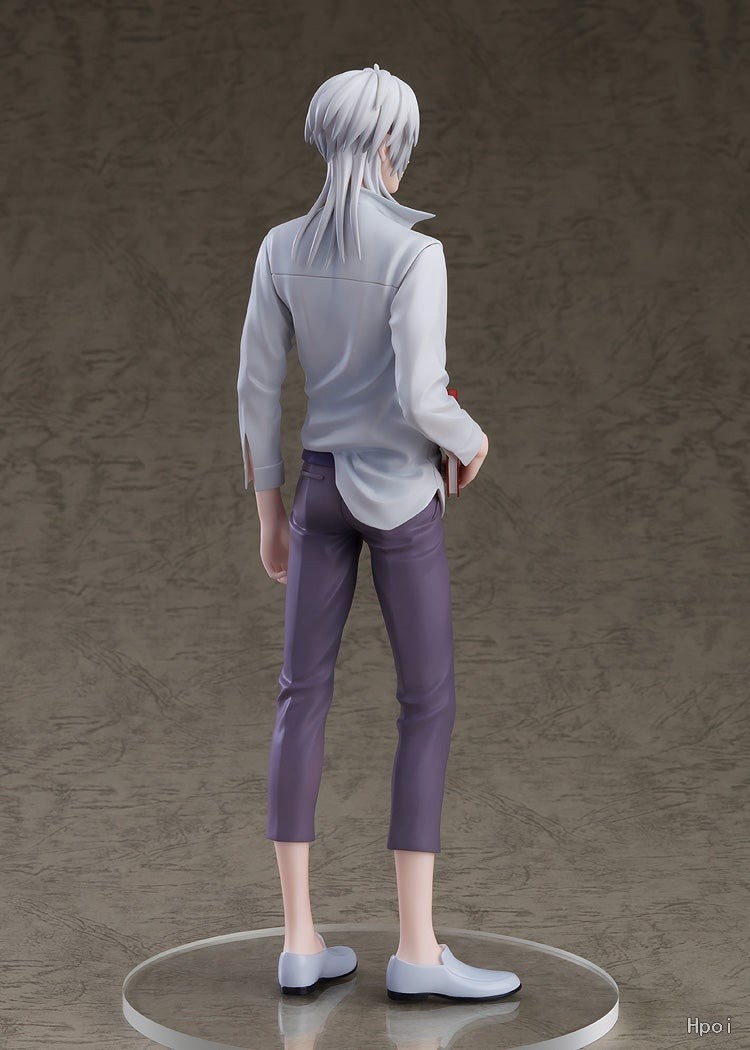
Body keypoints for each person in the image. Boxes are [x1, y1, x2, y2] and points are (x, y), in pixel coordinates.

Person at [237, 64, 521, 1003]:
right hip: (399, 493)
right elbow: (420, 392)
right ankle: (416, 948)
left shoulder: (280, 248)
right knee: (425, 705)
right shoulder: (415, 254)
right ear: (392, 146)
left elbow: (255, 390)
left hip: (318, 490)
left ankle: (299, 939)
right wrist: (472, 438)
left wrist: (270, 513)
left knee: (300, 698)